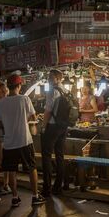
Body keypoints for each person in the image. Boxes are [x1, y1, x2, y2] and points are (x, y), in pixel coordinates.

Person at [0, 75, 45, 207]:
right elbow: (33, 117)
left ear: (8, 86)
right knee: (31, 168)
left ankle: (15, 197)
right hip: (24, 140)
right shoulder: (25, 99)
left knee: (12, 170)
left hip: (9, 142)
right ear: (19, 86)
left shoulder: (0, 103)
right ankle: (35, 196)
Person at [41, 69, 68, 197]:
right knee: (60, 156)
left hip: (52, 126)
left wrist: (43, 127)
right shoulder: (65, 90)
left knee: (46, 156)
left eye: (51, 77)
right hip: (63, 127)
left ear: (58, 78)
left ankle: (47, 188)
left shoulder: (52, 91)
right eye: (48, 77)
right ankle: (58, 187)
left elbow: (48, 110)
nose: (49, 79)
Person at [0, 81, 11, 195]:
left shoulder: (9, 103)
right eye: (2, 91)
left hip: (9, 134)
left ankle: (6, 183)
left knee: (8, 161)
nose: (5, 93)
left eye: (6, 91)